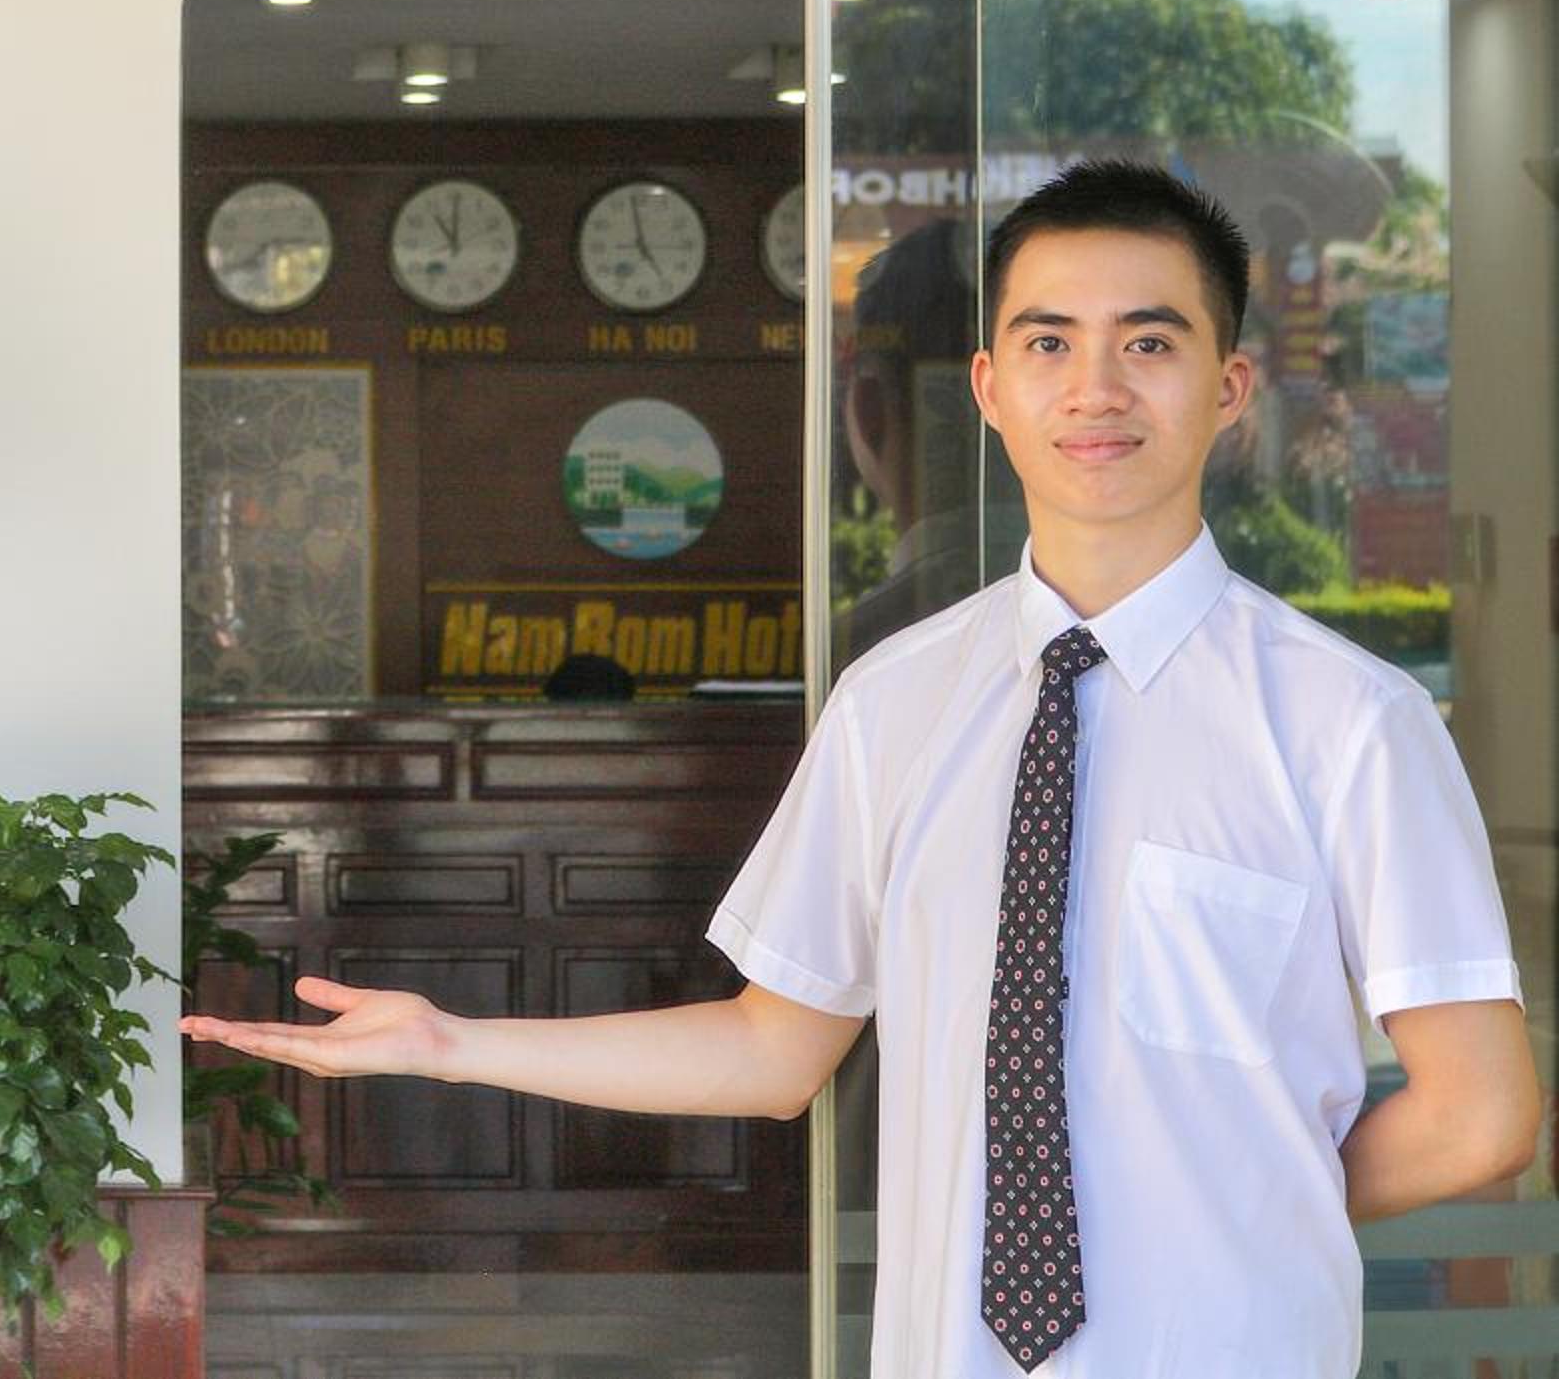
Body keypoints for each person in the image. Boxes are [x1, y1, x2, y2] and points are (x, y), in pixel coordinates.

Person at [182, 160, 1541, 1375]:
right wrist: (452, 1043)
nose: (1098, 388)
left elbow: (1479, 1116)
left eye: (1150, 341)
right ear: (989, 388)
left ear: (1229, 387)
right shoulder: (899, 699)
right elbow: (773, 1045)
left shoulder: (1348, 720)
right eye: (1050, 341)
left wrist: (1233, 1212)